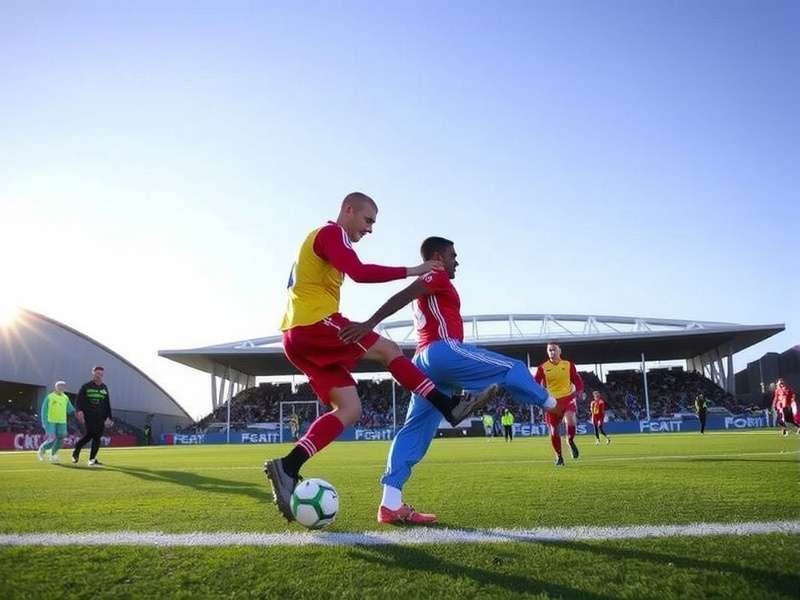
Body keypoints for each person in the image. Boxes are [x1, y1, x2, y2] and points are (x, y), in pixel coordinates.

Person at [264, 196, 494, 522]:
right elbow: (358, 272)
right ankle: (448, 405)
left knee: (350, 409)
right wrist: (413, 270)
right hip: (313, 324)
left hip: (297, 335)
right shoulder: (330, 234)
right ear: (348, 210)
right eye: (368, 220)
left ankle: (287, 467)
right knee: (389, 350)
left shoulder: (329, 242)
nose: (370, 229)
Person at [338, 236, 561, 524]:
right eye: (453, 255)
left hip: (423, 361)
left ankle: (390, 502)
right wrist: (369, 324)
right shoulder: (437, 273)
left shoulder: (434, 279)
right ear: (438, 256)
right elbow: (403, 295)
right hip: (442, 351)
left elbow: (409, 297)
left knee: (415, 429)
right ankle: (554, 404)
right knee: (513, 368)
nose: (458, 260)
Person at [534, 343, 584, 466]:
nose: (552, 352)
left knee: (570, 420)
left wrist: (579, 391)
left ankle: (570, 440)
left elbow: (576, 380)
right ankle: (559, 456)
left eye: (554, 350)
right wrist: (537, 396)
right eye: (549, 350)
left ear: (559, 351)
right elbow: (535, 383)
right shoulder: (542, 368)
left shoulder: (568, 365)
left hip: (568, 398)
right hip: (552, 402)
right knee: (553, 430)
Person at [72, 366, 113, 466]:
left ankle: (92, 459)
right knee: (90, 434)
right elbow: (78, 400)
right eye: (97, 373)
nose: (99, 375)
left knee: (97, 437)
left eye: (101, 374)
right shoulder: (86, 386)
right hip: (89, 415)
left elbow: (107, 403)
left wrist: (109, 417)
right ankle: (76, 451)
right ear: (93, 373)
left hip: (101, 416)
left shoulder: (104, 387)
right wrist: (79, 411)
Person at [36, 381, 75, 463]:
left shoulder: (65, 398)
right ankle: (42, 449)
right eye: (60, 386)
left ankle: (53, 454)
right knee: (52, 438)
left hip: (62, 421)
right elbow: (43, 410)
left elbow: (70, 410)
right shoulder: (50, 397)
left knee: (61, 437)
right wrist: (44, 422)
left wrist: (80, 411)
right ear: (55, 387)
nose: (62, 388)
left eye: (63, 386)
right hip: (50, 421)